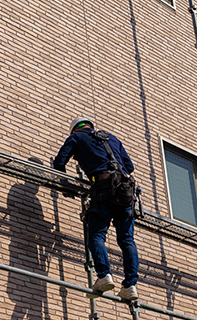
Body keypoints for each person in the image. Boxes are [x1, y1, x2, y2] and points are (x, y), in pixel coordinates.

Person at [53, 117, 139, 300]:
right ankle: (130, 285)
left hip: (103, 190)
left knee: (97, 236)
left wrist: (65, 184)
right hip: (126, 192)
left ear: (74, 130)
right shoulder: (112, 138)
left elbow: (60, 162)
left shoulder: (76, 137)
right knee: (126, 240)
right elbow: (129, 167)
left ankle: (104, 275)